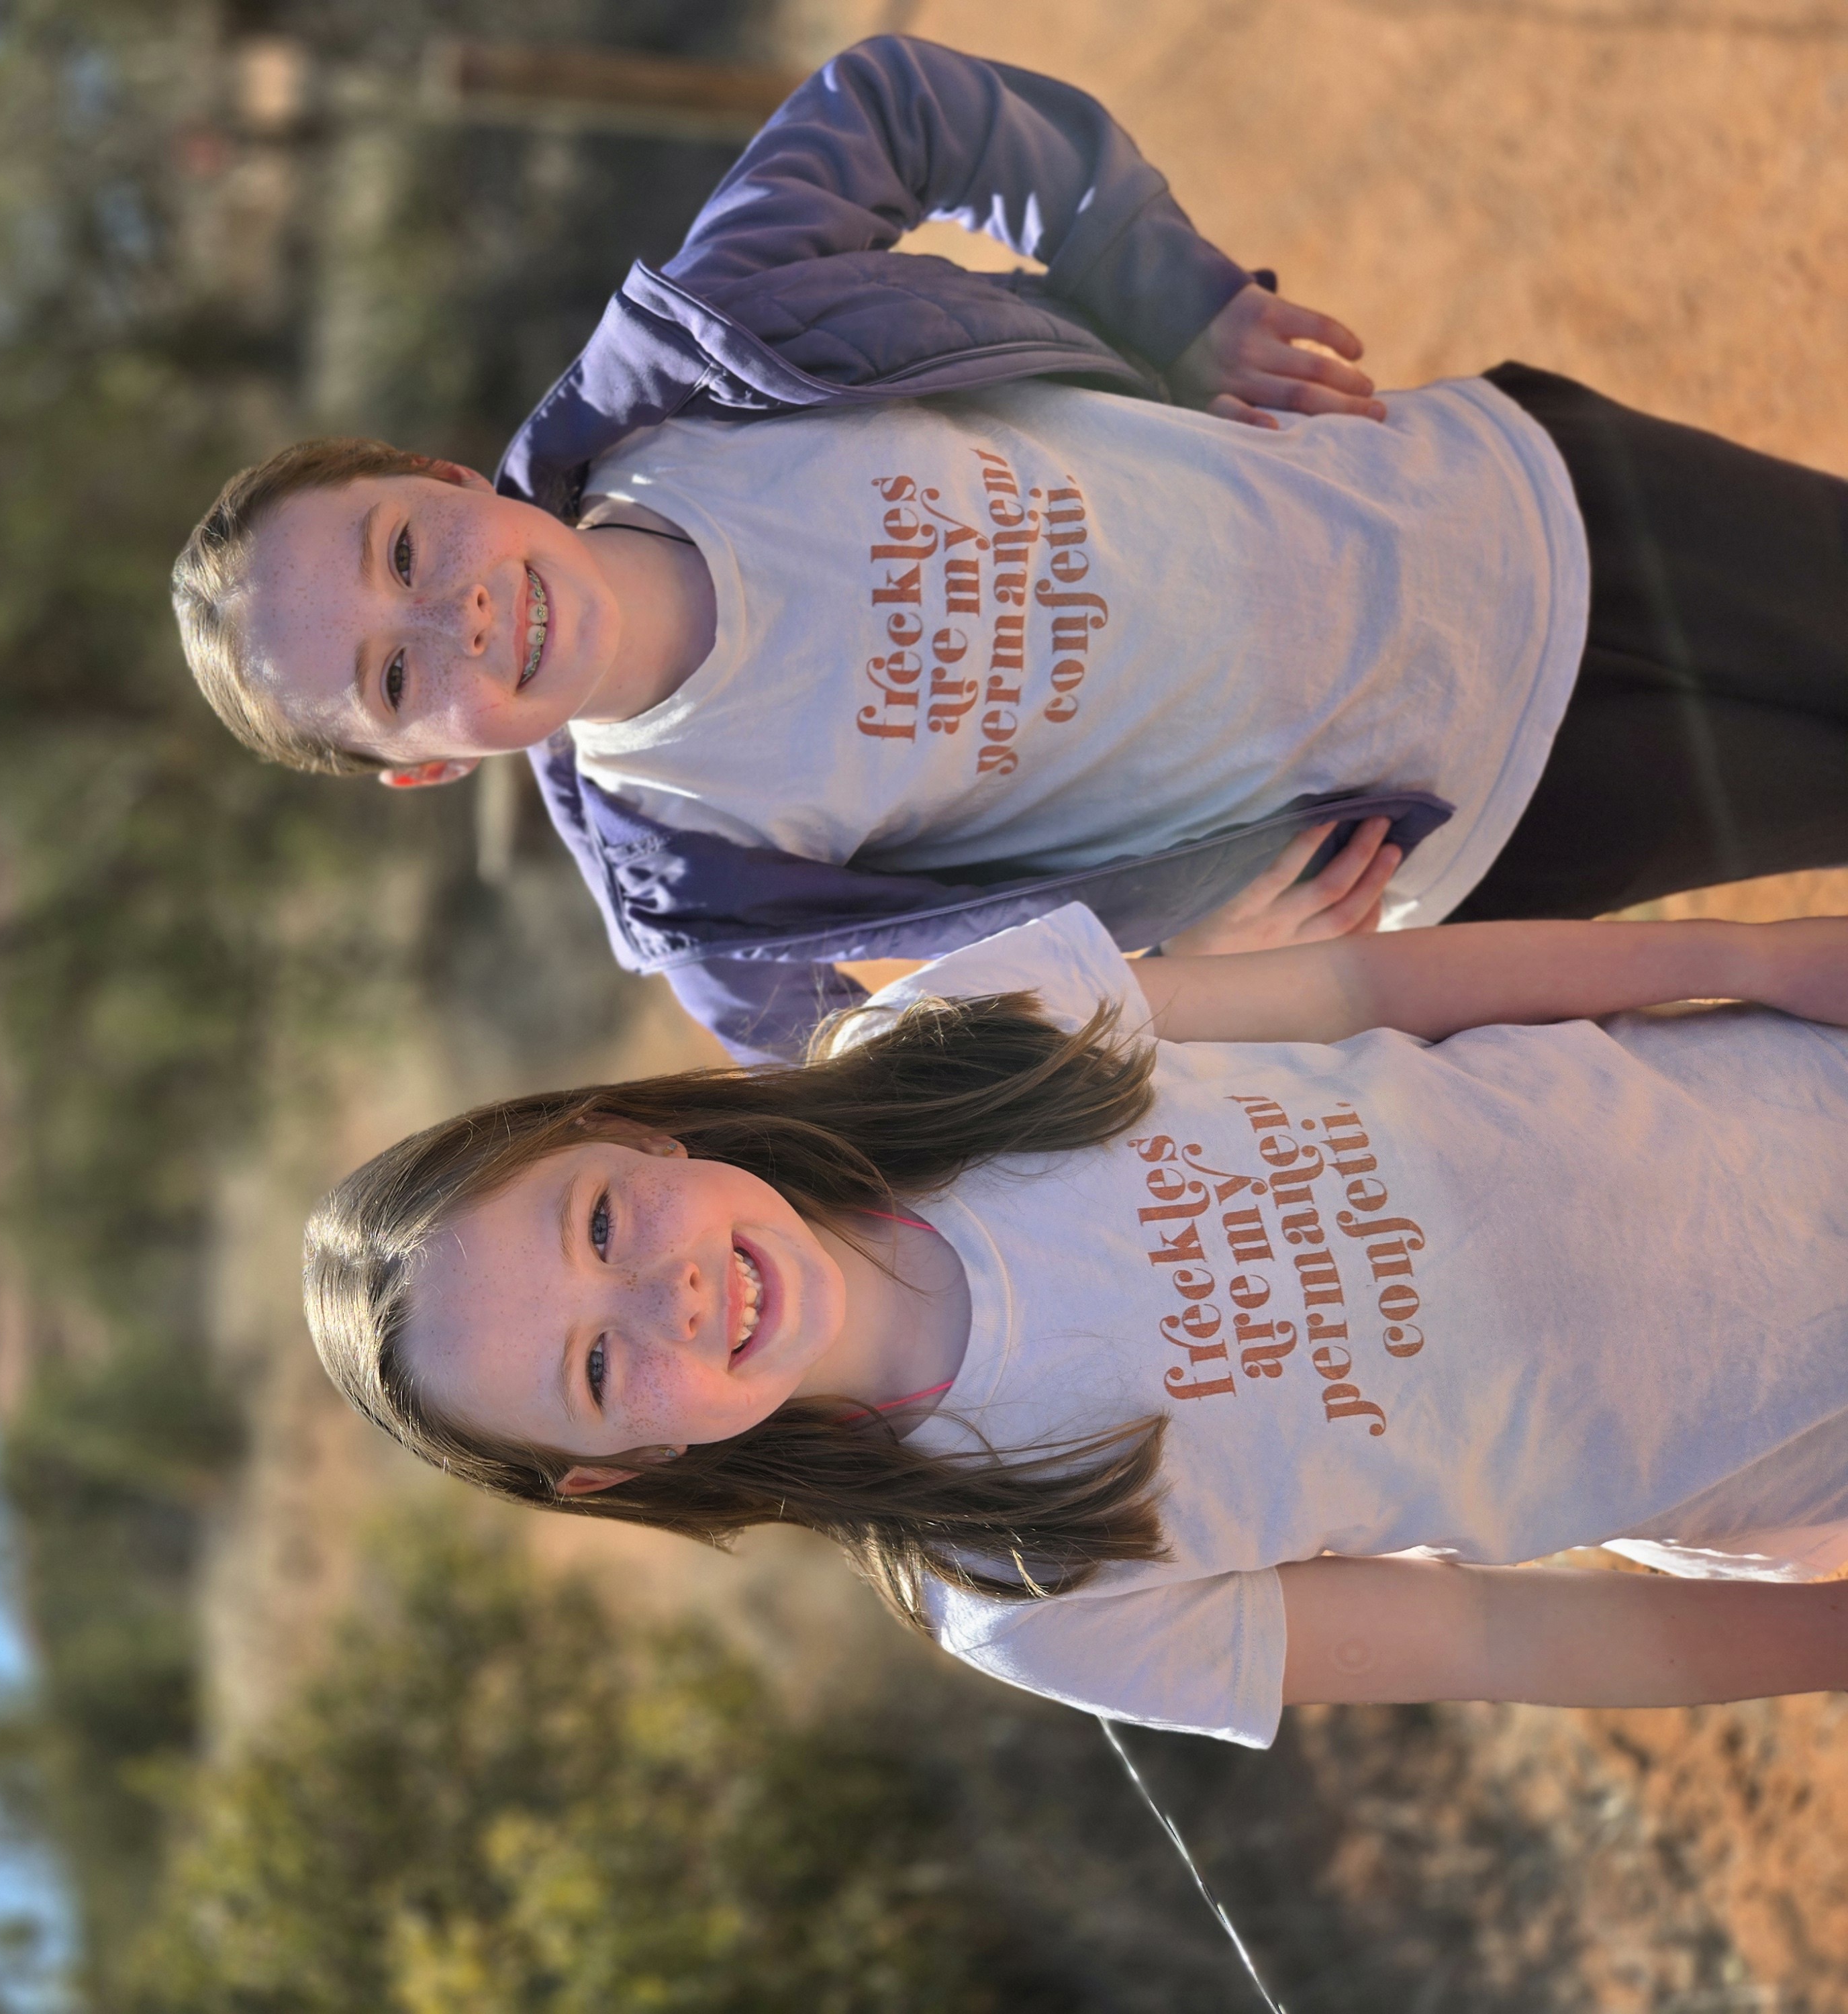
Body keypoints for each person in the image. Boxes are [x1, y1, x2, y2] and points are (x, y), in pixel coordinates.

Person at [171, 35, 1848, 1063]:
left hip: (1508, 501)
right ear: (420, 770)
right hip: (1479, 809)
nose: (456, 616)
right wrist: (1182, 983)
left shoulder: (696, 361)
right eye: (397, 677)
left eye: (403, 548)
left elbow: (895, 104)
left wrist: (1171, 300)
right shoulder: (715, 917)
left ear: (445, 474)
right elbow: (967, 1097)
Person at [301, 903, 1848, 1744]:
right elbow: (1500, 1636)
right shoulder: (1020, 1585)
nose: (668, 1295)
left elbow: (1378, 981)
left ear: (627, 1141)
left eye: (596, 1225)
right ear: (617, 1465)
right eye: (593, 1366)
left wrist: (1750, 959)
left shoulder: (939, 1046)